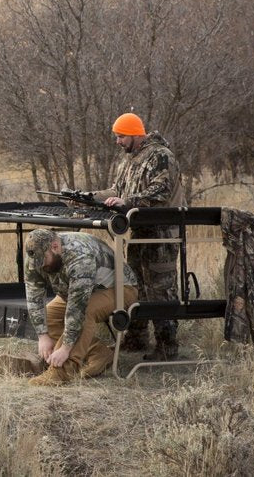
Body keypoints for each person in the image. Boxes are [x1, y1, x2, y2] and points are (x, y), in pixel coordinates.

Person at [92, 112, 182, 361]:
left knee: (160, 289)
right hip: (137, 234)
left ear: (135, 134)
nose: (118, 141)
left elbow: (160, 191)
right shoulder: (128, 161)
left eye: (121, 136)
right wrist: (89, 197)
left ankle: (167, 346)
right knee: (135, 287)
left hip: (161, 235)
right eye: (117, 137)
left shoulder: (161, 156)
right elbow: (116, 191)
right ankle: (136, 339)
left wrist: (126, 202)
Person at [23, 228, 139, 386]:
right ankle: (99, 353)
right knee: (50, 315)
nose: (41, 267)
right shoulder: (36, 255)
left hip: (120, 289)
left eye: (44, 261)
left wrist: (65, 348)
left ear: (55, 247)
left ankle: (62, 371)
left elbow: (78, 309)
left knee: (85, 312)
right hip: (81, 292)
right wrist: (42, 336)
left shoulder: (80, 256)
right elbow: (34, 297)